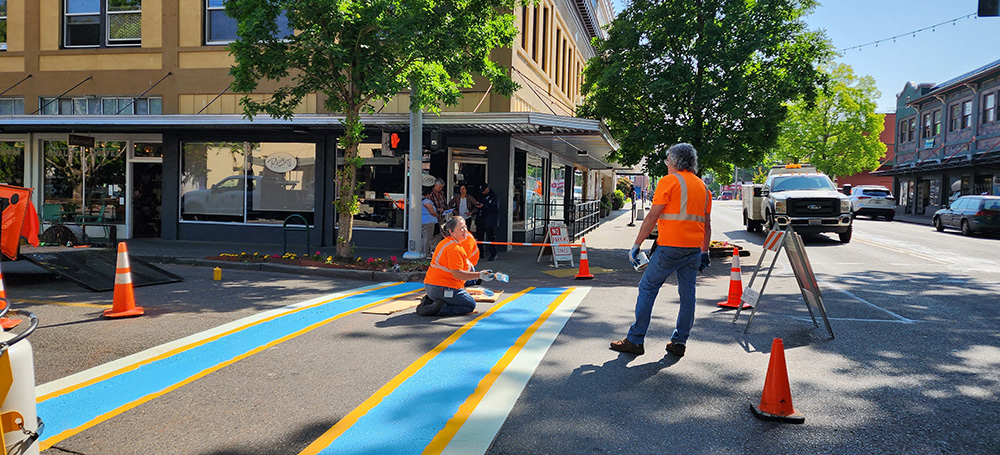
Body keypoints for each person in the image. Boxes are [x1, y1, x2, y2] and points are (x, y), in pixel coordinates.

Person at [611, 143, 712, 358]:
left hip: (669, 249)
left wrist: (636, 245)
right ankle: (679, 342)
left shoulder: (669, 181)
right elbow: (707, 225)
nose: (667, 164)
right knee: (688, 295)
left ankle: (635, 340)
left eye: (667, 160)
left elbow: (652, 217)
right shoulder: (703, 188)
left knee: (647, 288)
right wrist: (705, 251)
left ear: (675, 161)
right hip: (693, 250)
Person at [417, 217, 491, 317]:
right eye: (461, 228)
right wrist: (479, 275)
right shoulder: (454, 248)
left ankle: (431, 301)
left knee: (466, 295)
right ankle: (439, 308)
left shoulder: (446, 243)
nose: (465, 230)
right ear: (451, 232)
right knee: (469, 305)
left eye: (465, 227)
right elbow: (457, 274)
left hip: (432, 287)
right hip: (443, 287)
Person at [475, 182, 499, 261]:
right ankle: (480, 253)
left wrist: (484, 206)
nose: (482, 192)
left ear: (487, 189)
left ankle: (493, 254)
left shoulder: (493, 196)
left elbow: (494, 208)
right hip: (481, 218)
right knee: (480, 237)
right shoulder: (480, 196)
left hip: (489, 220)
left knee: (491, 237)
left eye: (483, 190)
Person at [420, 187, 439, 256]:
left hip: (422, 220)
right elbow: (432, 211)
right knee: (427, 237)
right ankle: (426, 252)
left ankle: (422, 251)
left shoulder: (419, 200)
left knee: (423, 237)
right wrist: (437, 215)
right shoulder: (427, 201)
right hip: (429, 221)